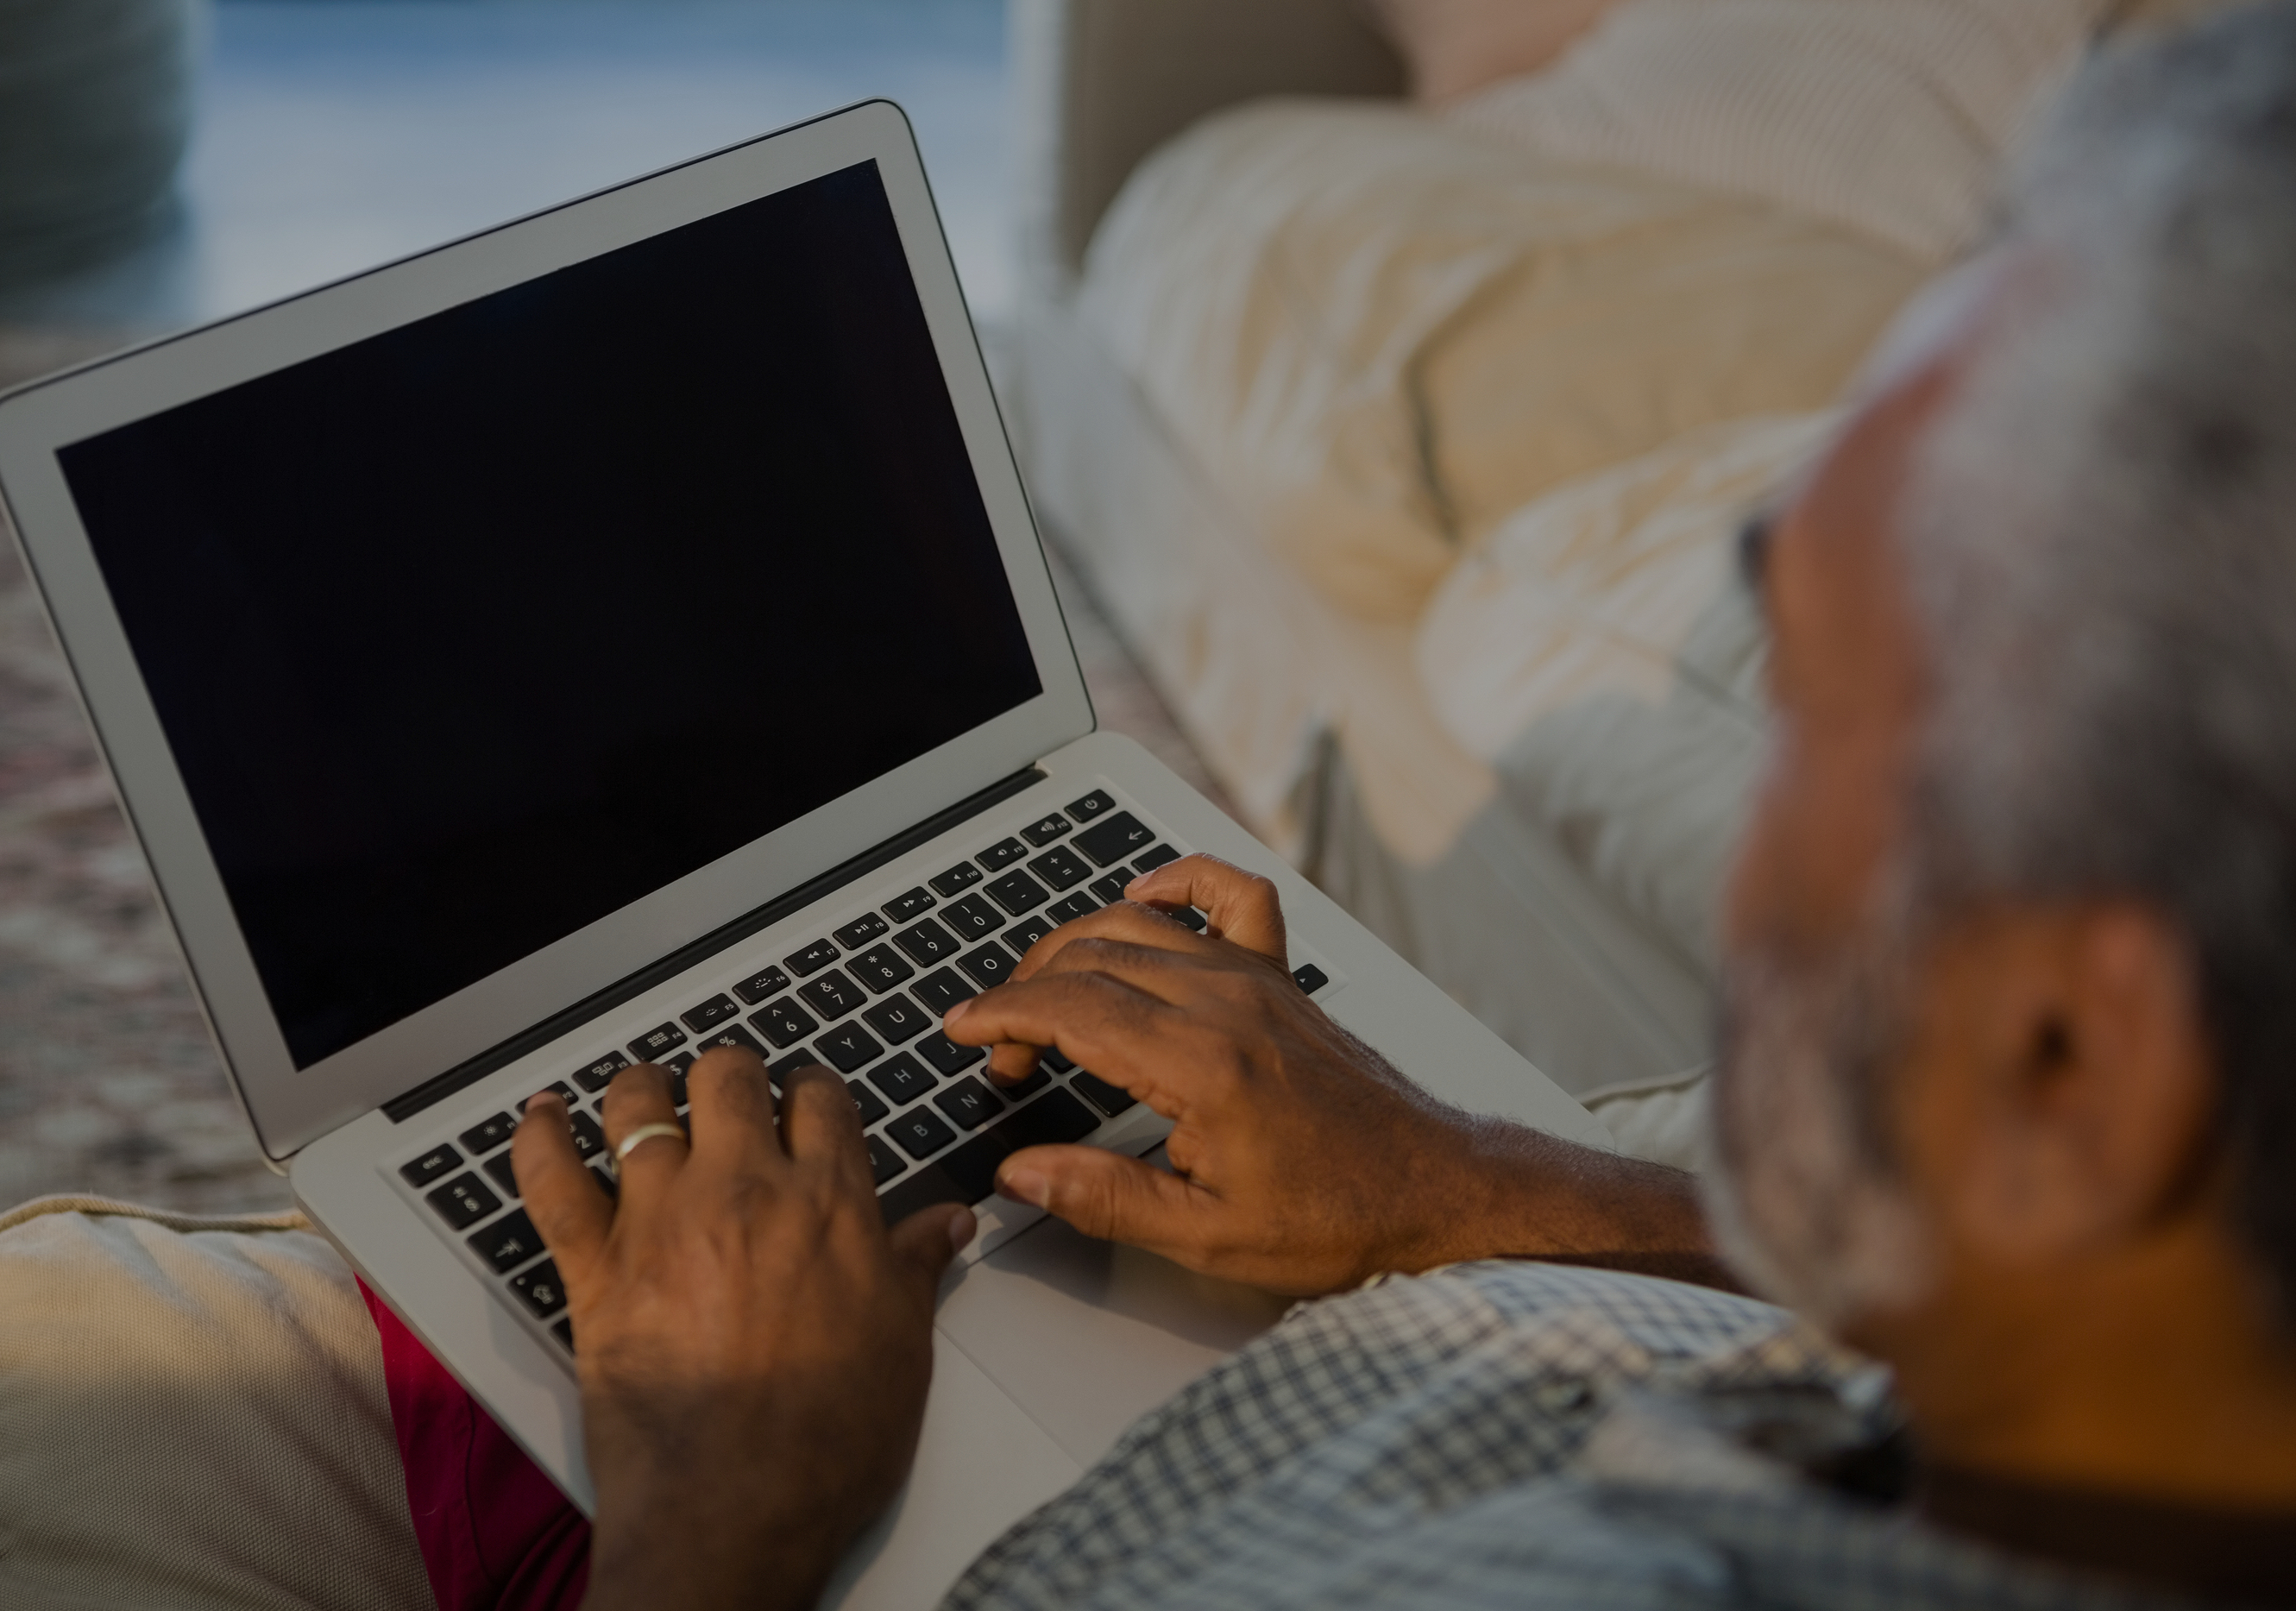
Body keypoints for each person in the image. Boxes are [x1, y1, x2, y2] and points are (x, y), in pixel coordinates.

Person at [464, 7, 2296, 1606]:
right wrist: (1470, 1183)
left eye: (1801, 694)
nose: (1739, 821)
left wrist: (713, 1528)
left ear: (2072, 1064)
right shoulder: (2112, 1365)